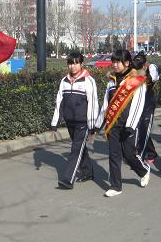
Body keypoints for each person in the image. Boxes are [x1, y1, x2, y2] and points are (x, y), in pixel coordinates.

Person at [96, 49, 150, 198]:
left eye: (118, 62)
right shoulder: (111, 81)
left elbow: (138, 104)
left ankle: (144, 171)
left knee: (129, 154)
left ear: (127, 63)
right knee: (114, 155)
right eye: (113, 62)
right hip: (113, 124)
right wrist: (98, 125)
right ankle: (115, 186)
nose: (115, 65)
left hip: (128, 125)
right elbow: (106, 105)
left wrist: (131, 125)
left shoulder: (137, 80)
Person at [50, 51, 99, 189]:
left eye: (76, 63)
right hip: (70, 121)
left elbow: (93, 104)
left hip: (83, 122)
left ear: (81, 64)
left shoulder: (88, 81)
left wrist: (92, 127)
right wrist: (54, 124)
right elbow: (59, 102)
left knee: (76, 149)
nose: (73, 66)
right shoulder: (64, 81)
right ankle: (88, 172)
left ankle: (67, 180)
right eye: (70, 63)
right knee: (80, 148)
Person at [132, 52, 160, 165]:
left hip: (148, 102)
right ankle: (151, 152)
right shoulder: (132, 72)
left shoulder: (151, 68)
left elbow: (153, 78)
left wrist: (142, 73)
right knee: (140, 129)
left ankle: (140, 156)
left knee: (144, 127)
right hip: (137, 102)